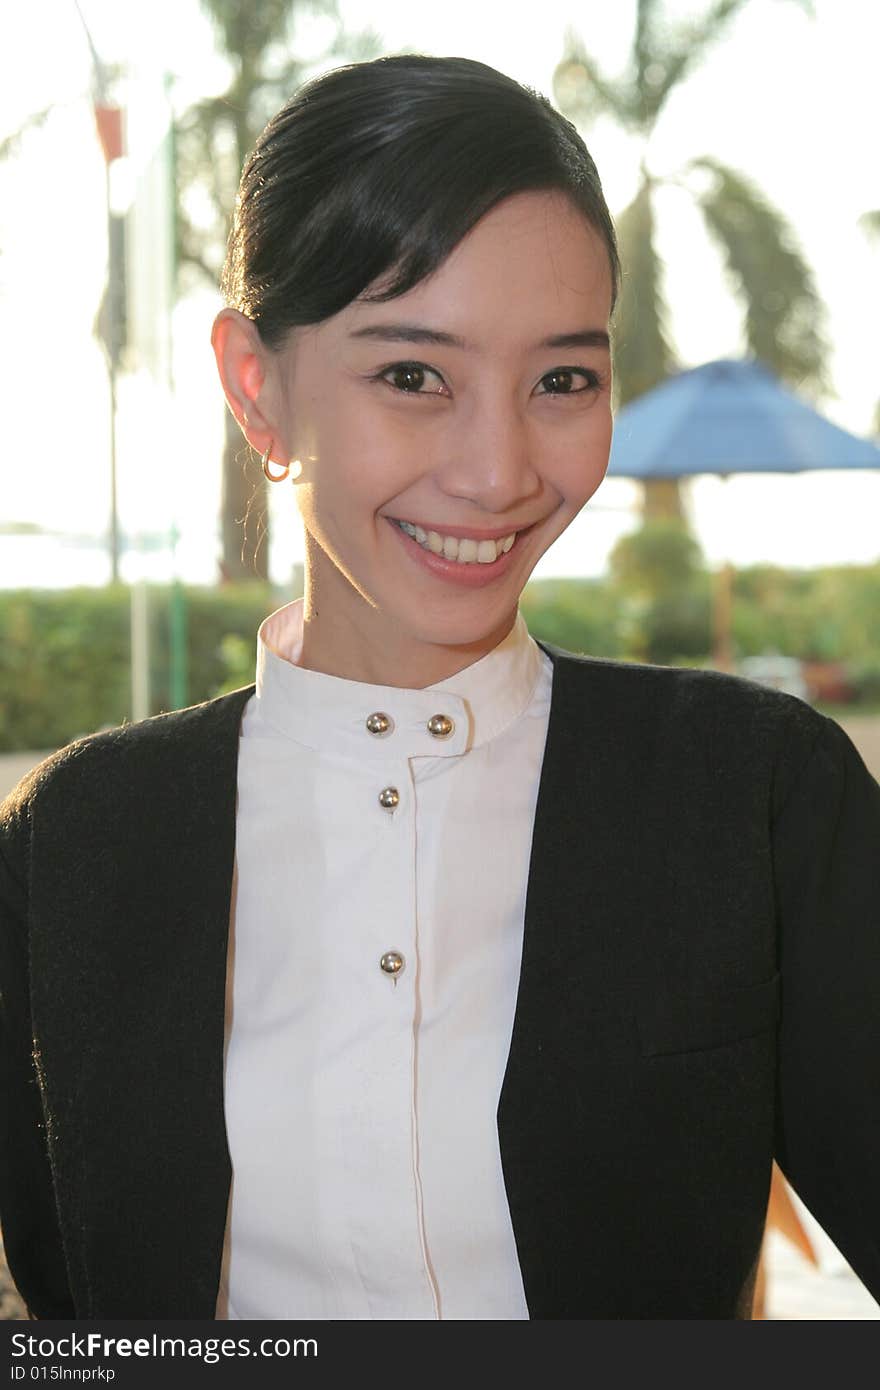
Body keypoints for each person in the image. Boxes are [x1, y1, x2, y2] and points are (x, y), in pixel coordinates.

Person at [1, 53, 878, 1323]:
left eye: (561, 380)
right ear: (257, 386)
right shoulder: (74, 845)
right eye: (413, 375)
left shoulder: (752, 793)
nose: (499, 470)